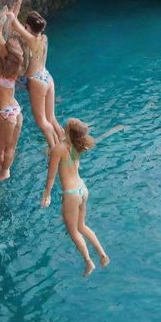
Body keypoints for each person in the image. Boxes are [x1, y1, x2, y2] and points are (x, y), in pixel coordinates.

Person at [41, 118, 109, 277]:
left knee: (73, 231)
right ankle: (103, 255)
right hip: (82, 190)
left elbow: (51, 176)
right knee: (82, 226)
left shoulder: (59, 149)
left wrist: (47, 195)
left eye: (65, 127)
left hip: (71, 194)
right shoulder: (78, 146)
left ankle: (88, 262)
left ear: (68, 133)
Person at [7, 2, 64, 149]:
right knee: (52, 118)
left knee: (42, 121)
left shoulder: (31, 40)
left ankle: (54, 149)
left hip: (37, 81)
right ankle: (64, 144)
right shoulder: (44, 39)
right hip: (47, 77)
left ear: (28, 26)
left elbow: (13, 22)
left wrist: (15, 5)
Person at [0, 15, 24, 181]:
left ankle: (1, 172)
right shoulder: (15, 70)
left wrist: (0, 24)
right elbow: (3, 45)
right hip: (16, 110)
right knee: (11, 147)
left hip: (5, 114)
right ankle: (6, 170)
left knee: (0, 148)